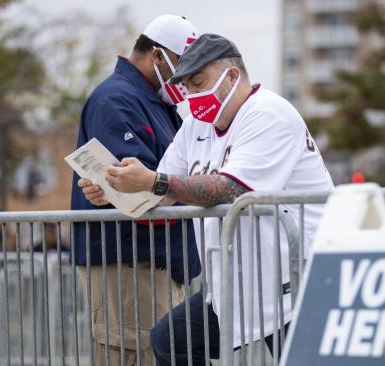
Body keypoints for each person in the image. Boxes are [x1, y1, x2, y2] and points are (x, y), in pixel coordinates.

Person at [80, 33, 335, 365]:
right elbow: (161, 195)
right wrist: (113, 190)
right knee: (171, 341)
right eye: (188, 87)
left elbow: (232, 189)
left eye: (199, 83)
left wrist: (155, 181)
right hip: (237, 288)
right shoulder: (195, 127)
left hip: (295, 284)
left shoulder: (268, 113)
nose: (193, 97)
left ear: (231, 76)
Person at [70, 15, 202, 366]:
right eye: (182, 64)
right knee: (132, 353)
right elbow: (133, 185)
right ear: (157, 56)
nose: (186, 79)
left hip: (156, 262)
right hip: (130, 262)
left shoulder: (158, 105)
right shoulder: (116, 99)